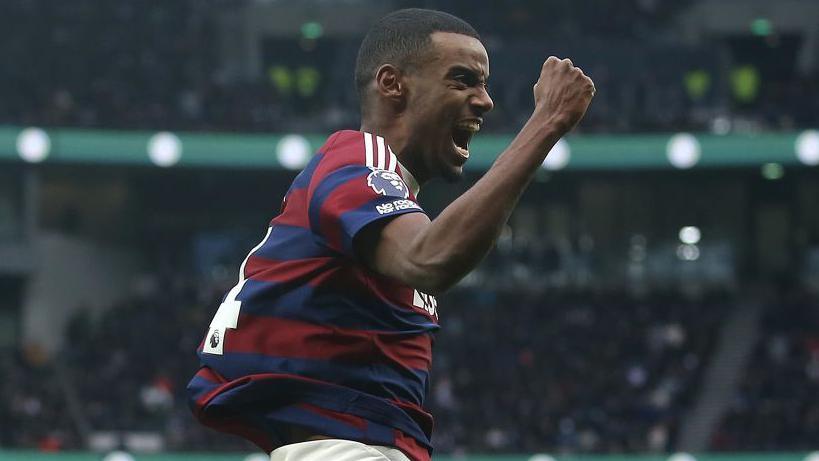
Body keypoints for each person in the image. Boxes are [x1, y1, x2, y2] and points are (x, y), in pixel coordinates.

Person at [187, 8, 594, 461]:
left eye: (484, 84)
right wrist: (546, 123)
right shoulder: (355, 163)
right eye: (462, 80)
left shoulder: (385, 196)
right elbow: (430, 259)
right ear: (392, 84)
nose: (485, 101)